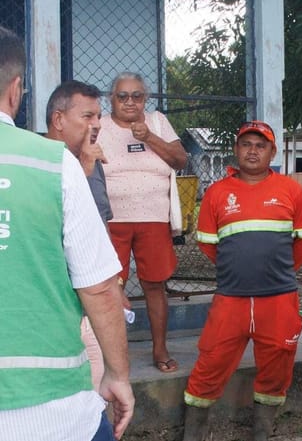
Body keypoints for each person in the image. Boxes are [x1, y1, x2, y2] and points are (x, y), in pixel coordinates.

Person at [0, 26, 134, 440]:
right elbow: (98, 288)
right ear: (16, 88)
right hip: (50, 409)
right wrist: (117, 374)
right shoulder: (52, 164)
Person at [183, 121, 302, 441]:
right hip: (232, 299)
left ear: (272, 151)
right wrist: (241, 270)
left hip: (279, 299)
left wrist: (274, 272)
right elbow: (208, 245)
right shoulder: (216, 193)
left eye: (260, 145)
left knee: (276, 369)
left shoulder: (291, 190)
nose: (252, 150)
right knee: (210, 365)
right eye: (246, 144)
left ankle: (262, 433)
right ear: (236, 149)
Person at [97, 71, 187, 373]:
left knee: (154, 285)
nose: (130, 102)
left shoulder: (158, 121)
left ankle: (160, 350)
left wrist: (148, 136)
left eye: (137, 96)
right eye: (122, 96)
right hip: (112, 220)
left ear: (145, 99)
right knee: (108, 287)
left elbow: (180, 159)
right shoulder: (100, 125)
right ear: (111, 99)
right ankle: (112, 356)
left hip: (153, 218)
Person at [45, 79, 130, 390]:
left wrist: (116, 282)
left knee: (102, 386)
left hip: (92, 300)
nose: (96, 125)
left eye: (98, 116)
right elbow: (49, 220)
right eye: (87, 117)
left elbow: (100, 228)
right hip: (54, 301)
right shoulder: (39, 163)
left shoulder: (93, 160)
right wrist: (82, 168)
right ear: (58, 120)